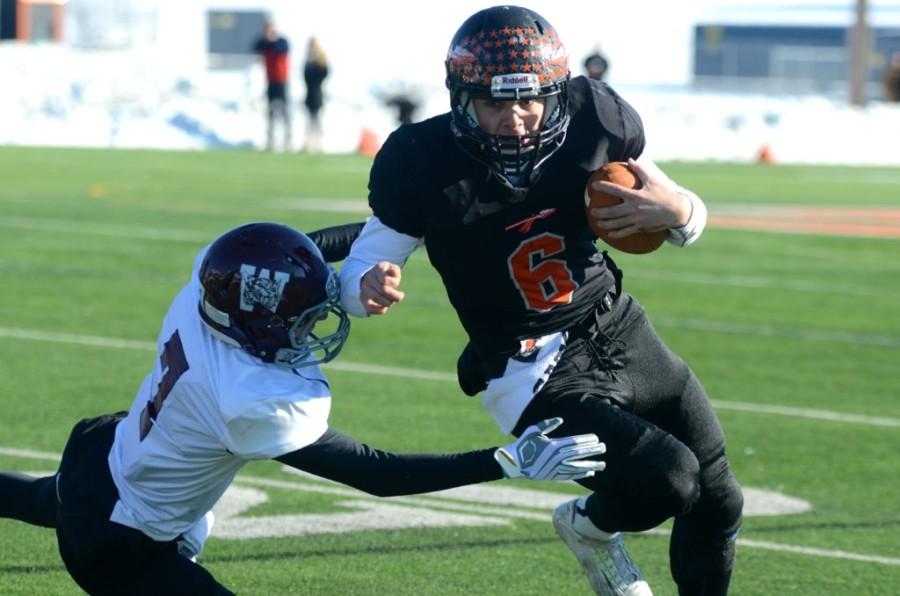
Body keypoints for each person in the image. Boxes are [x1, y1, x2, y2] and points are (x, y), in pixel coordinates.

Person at [337, 5, 743, 596]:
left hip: (618, 328)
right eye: (496, 104)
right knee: (669, 479)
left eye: (530, 101)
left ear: (556, 95)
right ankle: (590, 527)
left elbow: (685, 214)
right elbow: (363, 266)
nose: (517, 119)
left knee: (718, 496)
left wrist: (678, 210)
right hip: (531, 368)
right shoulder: (422, 161)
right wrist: (366, 284)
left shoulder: (593, 120)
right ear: (461, 98)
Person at [0, 222, 607, 595]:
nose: (316, 326)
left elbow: (299, 252)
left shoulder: (211, 286)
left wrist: (414, 227)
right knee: (69, 516)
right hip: (121, 542)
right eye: (302, 321)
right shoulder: (251, 401)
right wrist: (503, 460)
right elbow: (377, 473)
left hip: (103, 457)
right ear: (258, 329)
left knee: (39, 498)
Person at [253, 18, 291, 152]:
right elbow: (255, 47)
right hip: (270, 81)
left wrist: (272, 40)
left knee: (285, 112)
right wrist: (265, 39)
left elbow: (281, 49)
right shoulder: (265, 43)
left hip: (282, 81)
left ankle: (288, 141)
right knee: (270, 112)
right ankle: (270, 140)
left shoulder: (282, 41)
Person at [302, 37, 330, 152]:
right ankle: (309, 143)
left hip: (317, 94)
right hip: (309, 94)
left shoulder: (319, 62)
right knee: (309, 120)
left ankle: (318, 143)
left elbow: (324, 73)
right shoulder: (308, 61)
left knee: (317, 120)